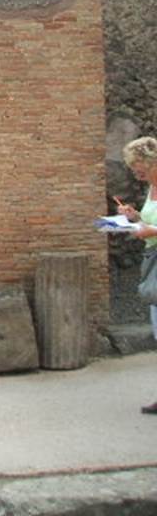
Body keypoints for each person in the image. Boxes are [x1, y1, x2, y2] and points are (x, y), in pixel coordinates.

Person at [118, 136, 157, 414]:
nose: (135, 172)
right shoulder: (152, 188)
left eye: (138, 165)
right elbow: (150, 222)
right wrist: (134, 218)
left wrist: (151, 231)